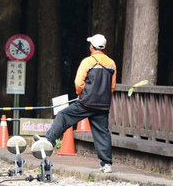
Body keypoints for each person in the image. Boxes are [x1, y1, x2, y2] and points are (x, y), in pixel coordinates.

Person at [34, 33, 117, 173]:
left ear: (92, 47)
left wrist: (81, 94)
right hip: (103, 105)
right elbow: (112, 87)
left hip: (86, 103)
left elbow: (78, 83)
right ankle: (106, 164)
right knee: (102, 133)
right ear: (103, 47)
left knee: (63, 116)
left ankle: (49, 141)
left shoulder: (87, 62)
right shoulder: (111, 63)